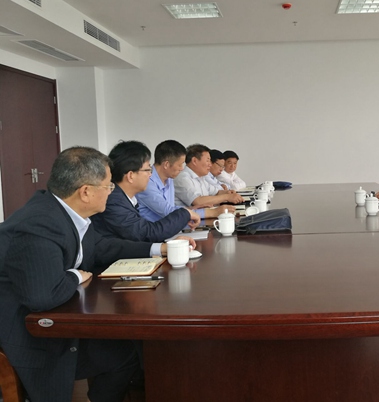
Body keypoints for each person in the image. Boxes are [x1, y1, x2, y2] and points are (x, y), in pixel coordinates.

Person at [0, 147, 164, 402]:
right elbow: (43, 296)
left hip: (56, 316)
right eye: (108, 186)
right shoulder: (39, 224)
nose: (111, 192)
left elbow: (102, 246)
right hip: (28, 334)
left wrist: (157, 249)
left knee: (129, 348)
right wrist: (75, 276)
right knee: (123, 354)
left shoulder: (67, 213)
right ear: (85, 191)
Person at [91, 140, 200, 243]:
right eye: (148, 170)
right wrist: (185, 213)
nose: (150, 175)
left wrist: (164, 247)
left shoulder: (125, 198)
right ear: (130, 176)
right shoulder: (114, 201)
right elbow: (147, 233)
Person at [137, 140, 234, 221]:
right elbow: (168, 212)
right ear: (166, 164)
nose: (182, 168)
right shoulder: (147, 182)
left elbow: (172, 208)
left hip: (170, 229)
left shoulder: (169, 178)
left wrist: (190, 209)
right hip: (154, 234)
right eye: (180, 165)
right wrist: (212, 212)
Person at [174, 144, 244, 208]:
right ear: (194, 161)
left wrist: (228, 193)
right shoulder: (183, 178)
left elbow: (216, 192)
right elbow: (198, 201)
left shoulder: (201, 178)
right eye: (208, 160)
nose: (210, 165)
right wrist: (227, 197)